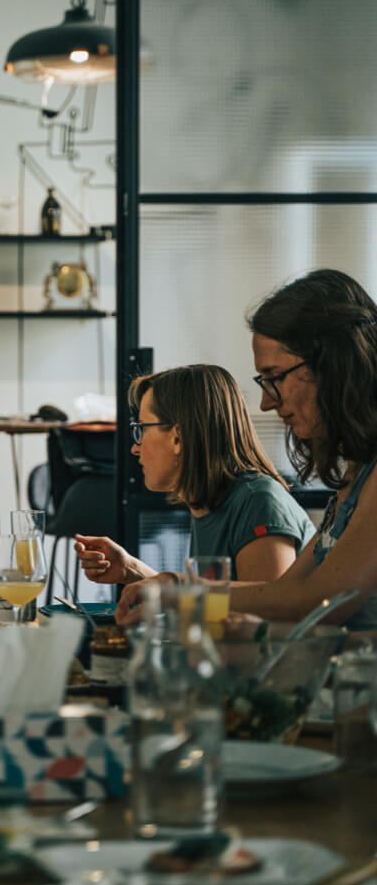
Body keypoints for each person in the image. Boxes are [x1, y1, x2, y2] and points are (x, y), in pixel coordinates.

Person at [117, 270, 377, 631]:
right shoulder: (358, 473)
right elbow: (285, 591)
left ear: (334, 365)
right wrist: (170, 586)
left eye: (275, 377)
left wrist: (179, 592)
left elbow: (316, 604)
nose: (267, 402)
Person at [77, 364, 314, 591]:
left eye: (142, 429)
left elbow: (264, 622)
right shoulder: (211, 500)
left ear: (177, 437)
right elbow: (214, 603)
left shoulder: (258, 501)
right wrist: (132, 570)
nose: (135, 448)